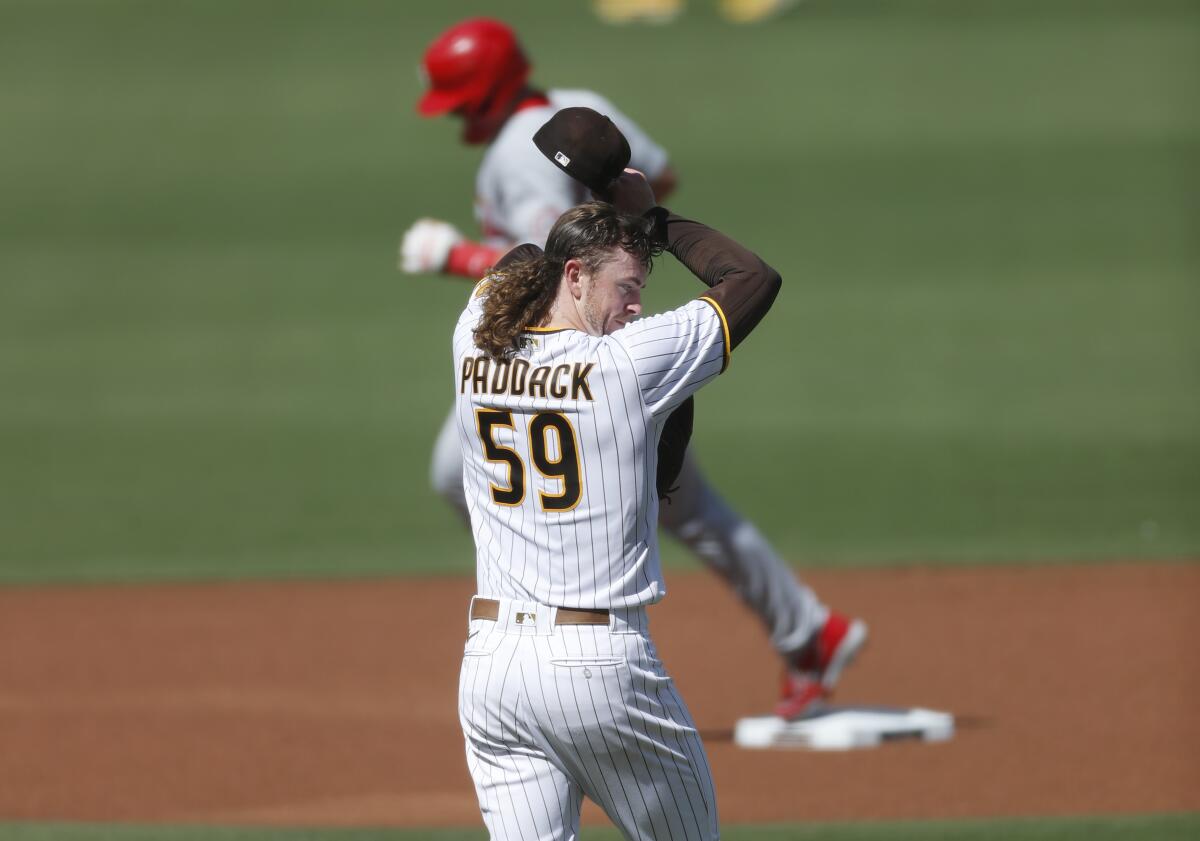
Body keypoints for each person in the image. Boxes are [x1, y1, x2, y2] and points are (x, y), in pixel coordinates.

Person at [404, 17, 865, 721]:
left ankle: (801, 628)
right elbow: (656, 178)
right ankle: (809, 631)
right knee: (684, 502)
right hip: (619, 329)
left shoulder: (514, 157)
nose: (458, 114)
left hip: (570, 353)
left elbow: (537, 265)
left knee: (467, 467)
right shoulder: (579, 108)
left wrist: (456, 258)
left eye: (461, 99)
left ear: (485, 93)